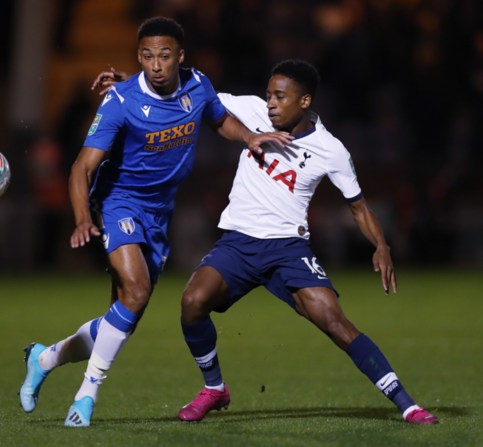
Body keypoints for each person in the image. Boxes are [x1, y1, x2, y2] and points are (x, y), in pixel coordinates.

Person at [18, 17, 292, 427]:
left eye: (164, 56)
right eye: (147, 56)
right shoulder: (120, 100)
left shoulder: (197, 84)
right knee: (138, 291)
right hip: (119, 204)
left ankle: (46, 357)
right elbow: (80, 168)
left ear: (180, 57)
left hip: (159, 213)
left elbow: (218, 118)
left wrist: (249, 136)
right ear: (139, 57)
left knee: (122, 315)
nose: (156, 65)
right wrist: (80, 218)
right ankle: (86, 396)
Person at [175, 60, 438, 424]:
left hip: (288, 249)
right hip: (238, 243)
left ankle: (408, 406)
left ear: (304, 101)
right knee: (192, 301)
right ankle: (215, 389)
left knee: (335, 323)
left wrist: (382, 245)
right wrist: (131, 85)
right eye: (269, 95)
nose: (270, 103)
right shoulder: (253, 113)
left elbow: (359, 208)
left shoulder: (330, 149)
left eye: (279, 97)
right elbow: (197, 95)